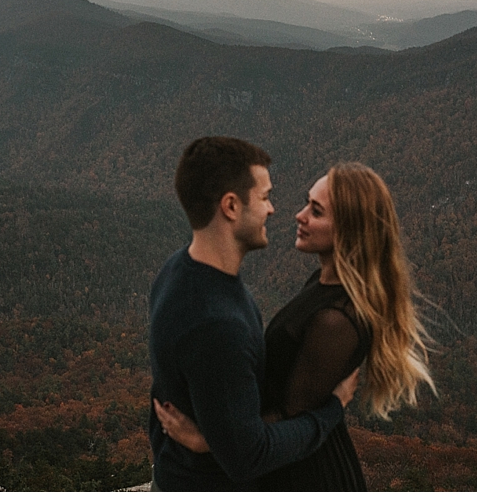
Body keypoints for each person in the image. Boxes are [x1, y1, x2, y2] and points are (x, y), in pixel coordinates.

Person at [156, 161, 436, 490]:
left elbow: (288, 416)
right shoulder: (323, 282)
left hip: (307, 473)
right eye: (307, 203)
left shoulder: (338, 320)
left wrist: (211, 441)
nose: (299, 215)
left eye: (316, 212)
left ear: (347, 232)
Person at [148, 137, 360, 491]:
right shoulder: (217, 325)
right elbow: (250, 456)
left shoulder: (177, 271)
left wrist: (206, 442)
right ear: (231, 206)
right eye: (264, 197)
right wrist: (333, 408)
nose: (273, 209)